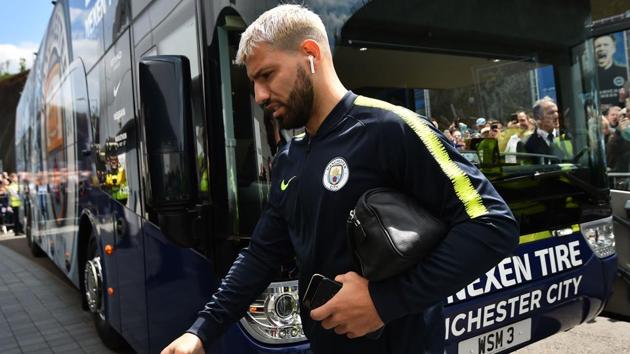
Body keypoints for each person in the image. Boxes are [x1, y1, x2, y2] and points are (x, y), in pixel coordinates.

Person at [162, 4, 519, 354]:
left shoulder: (390, 129)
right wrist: (201, 332)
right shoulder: (289, 159)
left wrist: (384, 302)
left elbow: (492, 225)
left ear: (310, 53)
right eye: (253, 82)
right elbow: (261, 254)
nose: (259, 96)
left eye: (267, 75)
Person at [594, 35, 627, 107]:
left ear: (613, 48)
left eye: (606, 45)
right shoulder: (590, 77)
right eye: (598, 46)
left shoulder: (625, 72)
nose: (601, 48)